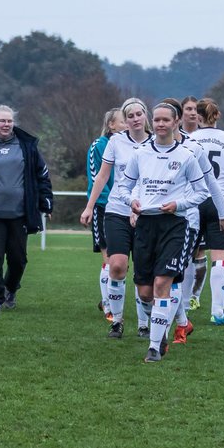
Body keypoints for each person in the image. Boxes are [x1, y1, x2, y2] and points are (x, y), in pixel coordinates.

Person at [120, 99, 213, 363]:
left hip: (174, 224)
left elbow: (202, 192)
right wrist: (132, 202)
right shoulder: (140, 153)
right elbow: (124, 187)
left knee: (163, 284)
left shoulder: (186, 156)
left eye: (166, 120)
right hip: (146, 225)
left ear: (176, 123)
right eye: (157, 120)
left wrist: (178, 204)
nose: (161, 124)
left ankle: (153, 347)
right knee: (145, 292)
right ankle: (160, 333)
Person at [80, 98, 152, 339]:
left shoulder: (155, 143)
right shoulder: (115, 142)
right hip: (116, 213)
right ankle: (117, 321)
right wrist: (89, 206)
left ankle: (144, 323)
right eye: (129, 115)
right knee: (117, 265)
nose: (134, 118)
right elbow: (102, 176)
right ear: (125, 119)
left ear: (145, 116)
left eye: (138, 114)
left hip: (146, 215)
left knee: (144, 273)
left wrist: (138, 208)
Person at [0, 105, 54, 311]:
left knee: (18, 259)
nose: (6, 124)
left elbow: (41, 175)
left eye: (10, 121)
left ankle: (10, 288)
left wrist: (46, 202)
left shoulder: (27, 146)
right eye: (2, 121)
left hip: (20, 213)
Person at [185, 98, 224, 326]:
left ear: (197, 117)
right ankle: (218, 313)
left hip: (194, 199)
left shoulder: (188, 139)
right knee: (219, 257)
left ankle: (183, 308)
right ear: (217, 116)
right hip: (220, 201)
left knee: (189, 254)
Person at [86, 108, 125, 318]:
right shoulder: (98, 146)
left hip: (127, 209)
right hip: (105, 208)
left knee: (121, 261)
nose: (128, 124)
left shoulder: (129, 146)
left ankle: (108, 300)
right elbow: (96, 178)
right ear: (111, 125)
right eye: (123, 121)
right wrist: (109, 202)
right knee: (109, 257)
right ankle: (109, 307)